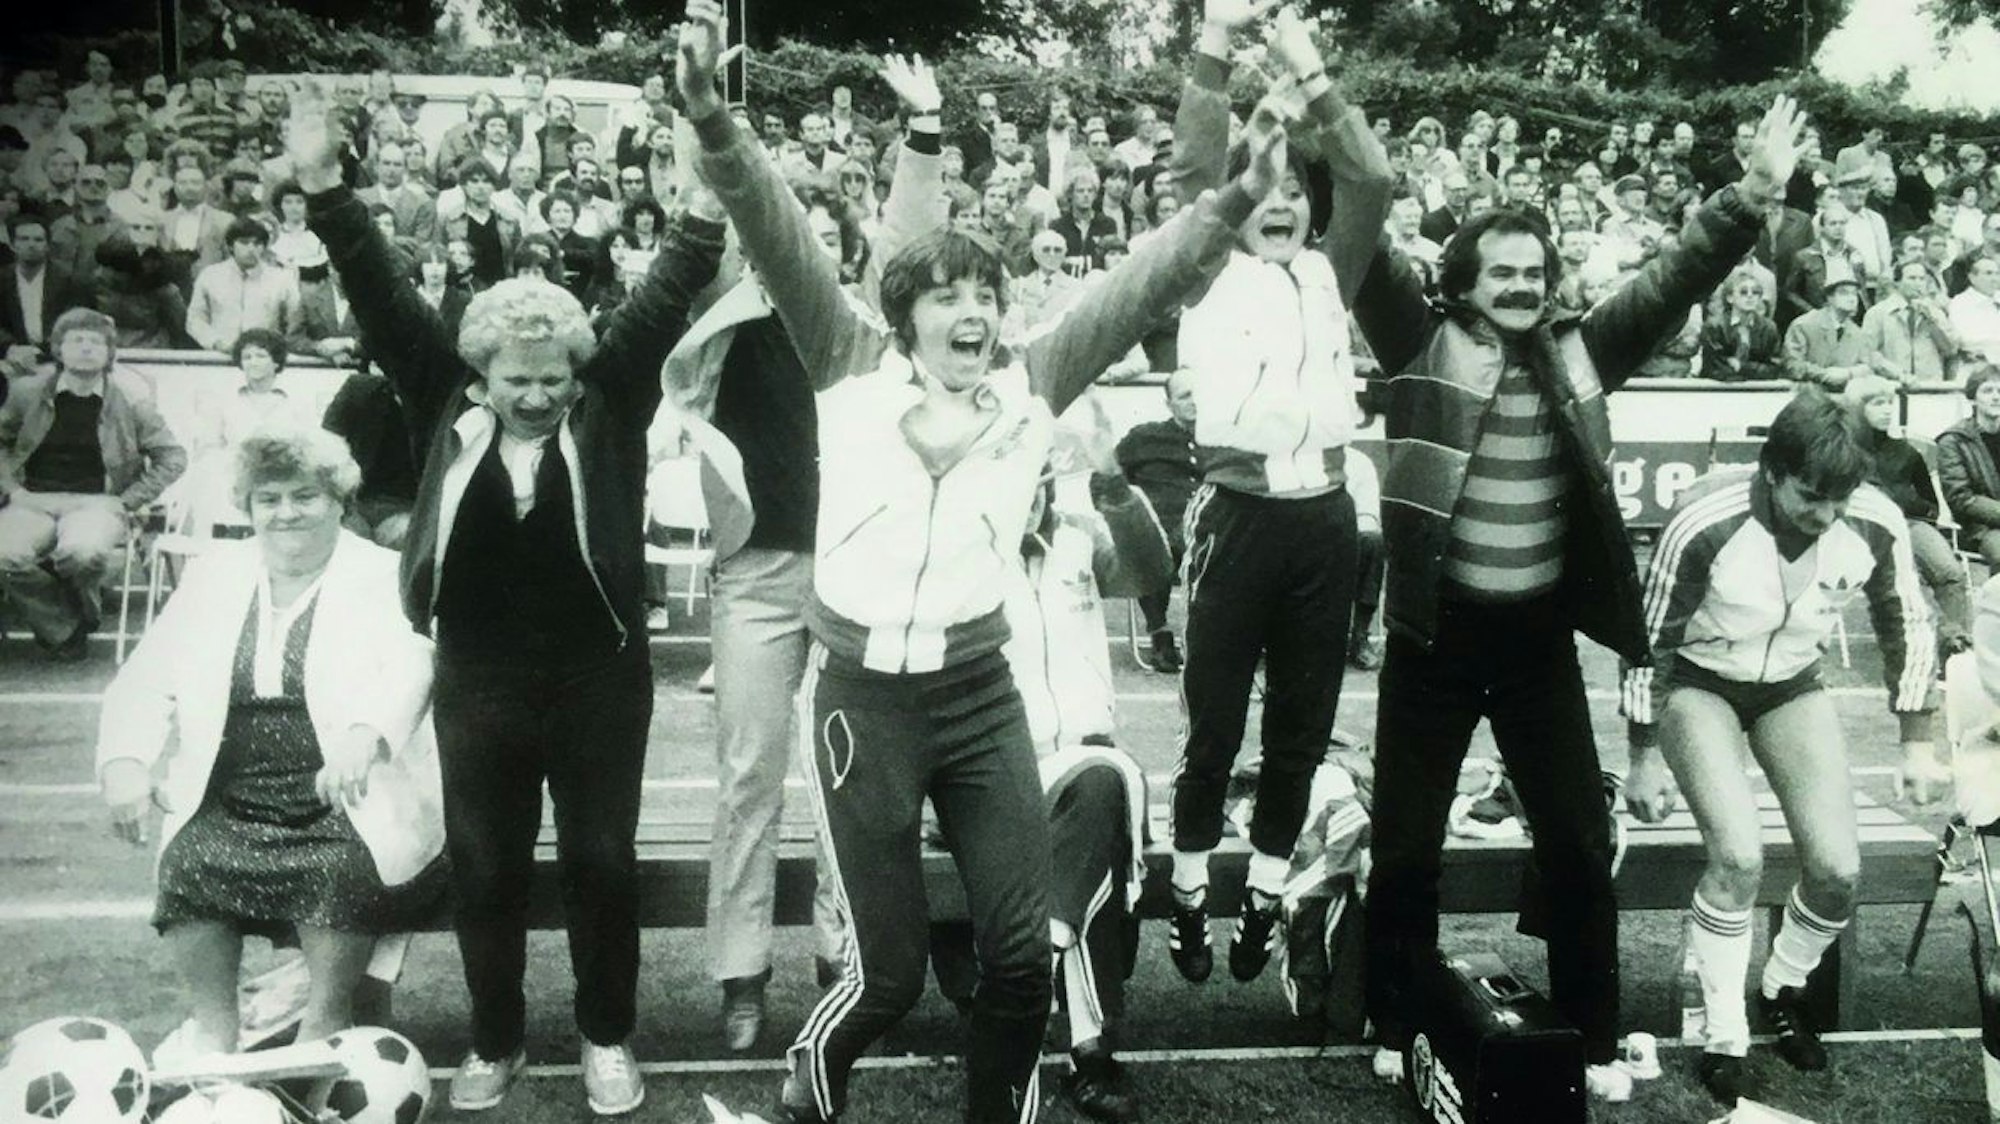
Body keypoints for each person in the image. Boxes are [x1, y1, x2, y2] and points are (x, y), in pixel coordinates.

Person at [679, 0, 1284, 1115]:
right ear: (901, 313)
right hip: (862, 700)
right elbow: (775, 228)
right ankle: (809, 1084)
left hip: (976, 695)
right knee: (890, 975)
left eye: (987, 295)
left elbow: (1148, 278)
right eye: (948, 295)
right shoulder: (844, 363)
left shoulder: (1030, 380)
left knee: (1017, 958)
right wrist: (715, 123)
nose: (974, 312)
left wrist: (1239, 195)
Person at [1350, 94, 1814, 1103]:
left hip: (1533, 643)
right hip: (1431, 638)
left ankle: (1593, 1033)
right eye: (1500, 271)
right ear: (1461, 279)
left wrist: (1750, 194)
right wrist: (1307, 118)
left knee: (1573, 837)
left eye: (1533, 272)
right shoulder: (1413, 341)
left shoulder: (1578, 349)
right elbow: (1359, 239)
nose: (1519, 287)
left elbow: (1671, 276)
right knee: (1403, 845)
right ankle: (1392, 1016)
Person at [292, 77, 723, 1116]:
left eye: (552, 377)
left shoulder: (609, 396)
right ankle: (494, 1038)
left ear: (578, 367)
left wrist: (704, 189)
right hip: (477, 669)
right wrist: (323, 184)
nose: (535, 394)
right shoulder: (439, 392)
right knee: (484, 864)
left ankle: (606, 1035)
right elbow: (383, 291)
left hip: (596, 671)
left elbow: (667, 285)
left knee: (599, 859)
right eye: (513, 379)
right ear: (477, 373)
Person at [657, 56, 947, 1055]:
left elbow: (913, 241)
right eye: (798, 236)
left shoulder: (864, 328)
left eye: (831, 238)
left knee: (845, 777)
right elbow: (723, 204)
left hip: (849, 578)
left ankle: (844, 957)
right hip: (756, 577)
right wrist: (706, 118)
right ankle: (740, 974)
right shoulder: (725, 320)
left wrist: (921, 132)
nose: (813, 252)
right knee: (747, 771)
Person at [1622, 391, 1937, 1105]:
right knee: (1737, 856)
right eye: (1810, 497)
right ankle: (1724, 1031)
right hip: (1700, 683)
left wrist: (1918, 740)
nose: (1825, 515)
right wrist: (1642, 755)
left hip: (1792, 684)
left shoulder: (1875, 520)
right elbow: (1648, 644)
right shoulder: (1707, 520)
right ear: (1771, 471)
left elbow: (1907, 624)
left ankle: (1781, 986)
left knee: (1837, 870)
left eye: (1840, 498)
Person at [1160, 1, 1388, 988]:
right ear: (1236, 198)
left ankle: (1260, 893)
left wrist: (1309, 67)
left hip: (1323, 520)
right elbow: (1188, 170)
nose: (1283, 198)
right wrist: (1214, 47)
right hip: (1237, 514)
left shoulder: (1329, 274)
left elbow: (1372, 177)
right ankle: (1182, 888)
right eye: (1265, 185)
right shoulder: (1205, 267)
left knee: (1299, 727)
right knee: (1212, 725)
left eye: (1298, 185)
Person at [96, 422, 446, 1057]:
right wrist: (125, 760)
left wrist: (366, 734)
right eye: (270, 499)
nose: (287, 512)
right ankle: (215, 1027)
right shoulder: (213, 577)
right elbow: (147, 676)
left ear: (340, 500)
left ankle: (324, 1023)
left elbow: (414, 661)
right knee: (190, 863)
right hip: (233, 789)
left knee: (336, 870)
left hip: (351, 794)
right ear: (250, 508)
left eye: (305, 496)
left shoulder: (387, 574)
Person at [0, 307, 186, 658]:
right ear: (58, 348)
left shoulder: (131, 402)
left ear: (109, 352)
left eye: (95, 341)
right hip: (33, 499)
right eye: (76, 340)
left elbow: (172, 456)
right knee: (4, 554)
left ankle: (65, 618)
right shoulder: (27, 392)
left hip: (97, 503)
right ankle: (67, 626)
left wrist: (128, 500)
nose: (86, 348)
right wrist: (12, 489)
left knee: (83, 553)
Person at [1842, 375, 1971, 654]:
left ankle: (1955, 646)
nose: (1887, 410)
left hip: (1909, 525)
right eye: (1878, 404)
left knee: (1950, 573)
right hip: (1860, 531)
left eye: (1890, 402)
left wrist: (1907, 504)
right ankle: (1919, 648)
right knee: (1909, 579)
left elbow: (1931, 508)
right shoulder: (1840, 452)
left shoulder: (1907, 453)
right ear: (1857, 408)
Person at [1115, 368, 1199, 672]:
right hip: (1160, 530)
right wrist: (1125, 511)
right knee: (1148, 542)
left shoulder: (1224, 438)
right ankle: (1160, 633)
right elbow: (1107, 477)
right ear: (1169, 404)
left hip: (1211, 526)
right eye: (1186, 395)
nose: (1196, 401)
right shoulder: (1144, 438)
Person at [185, 217, 303, 352]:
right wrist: (217, 343)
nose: (251, 249)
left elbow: (295, 322)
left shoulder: (282, 279)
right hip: (219, 356)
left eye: (257, 243)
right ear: (230, 245)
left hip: (265, 356)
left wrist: (274, 348)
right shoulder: (210, 275)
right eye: (244, 242)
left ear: (264, 247)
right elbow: (195, 320)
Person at [1937, 364, 2000, 567]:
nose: (1996, 397)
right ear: (1973, 397)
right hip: (1983, 528)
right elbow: (1961, 498)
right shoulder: (1954, 441)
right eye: (1988, 390)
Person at [1782, 261, 1871, 390]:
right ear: (1829, 297)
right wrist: (1825, 375)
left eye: (1854, 293)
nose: (1851, 298)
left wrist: (1848, 373)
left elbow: (1868, 366)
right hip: (1808, 395)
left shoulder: (1857, 333)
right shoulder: (1803, 325)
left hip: (1843, 400)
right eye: (1844, 293)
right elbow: (1792, 365)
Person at [1700, 268, 1783, 382]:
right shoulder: (1714, 326)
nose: (1750, 296)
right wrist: (1754, 370)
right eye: (1743, 292)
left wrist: (1741, 366)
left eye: (1755, 292)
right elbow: (1715, 368)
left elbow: (1774, 368)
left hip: (1758, 391)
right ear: (1730, 298)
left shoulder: (1769, 328)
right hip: (1717, 390)